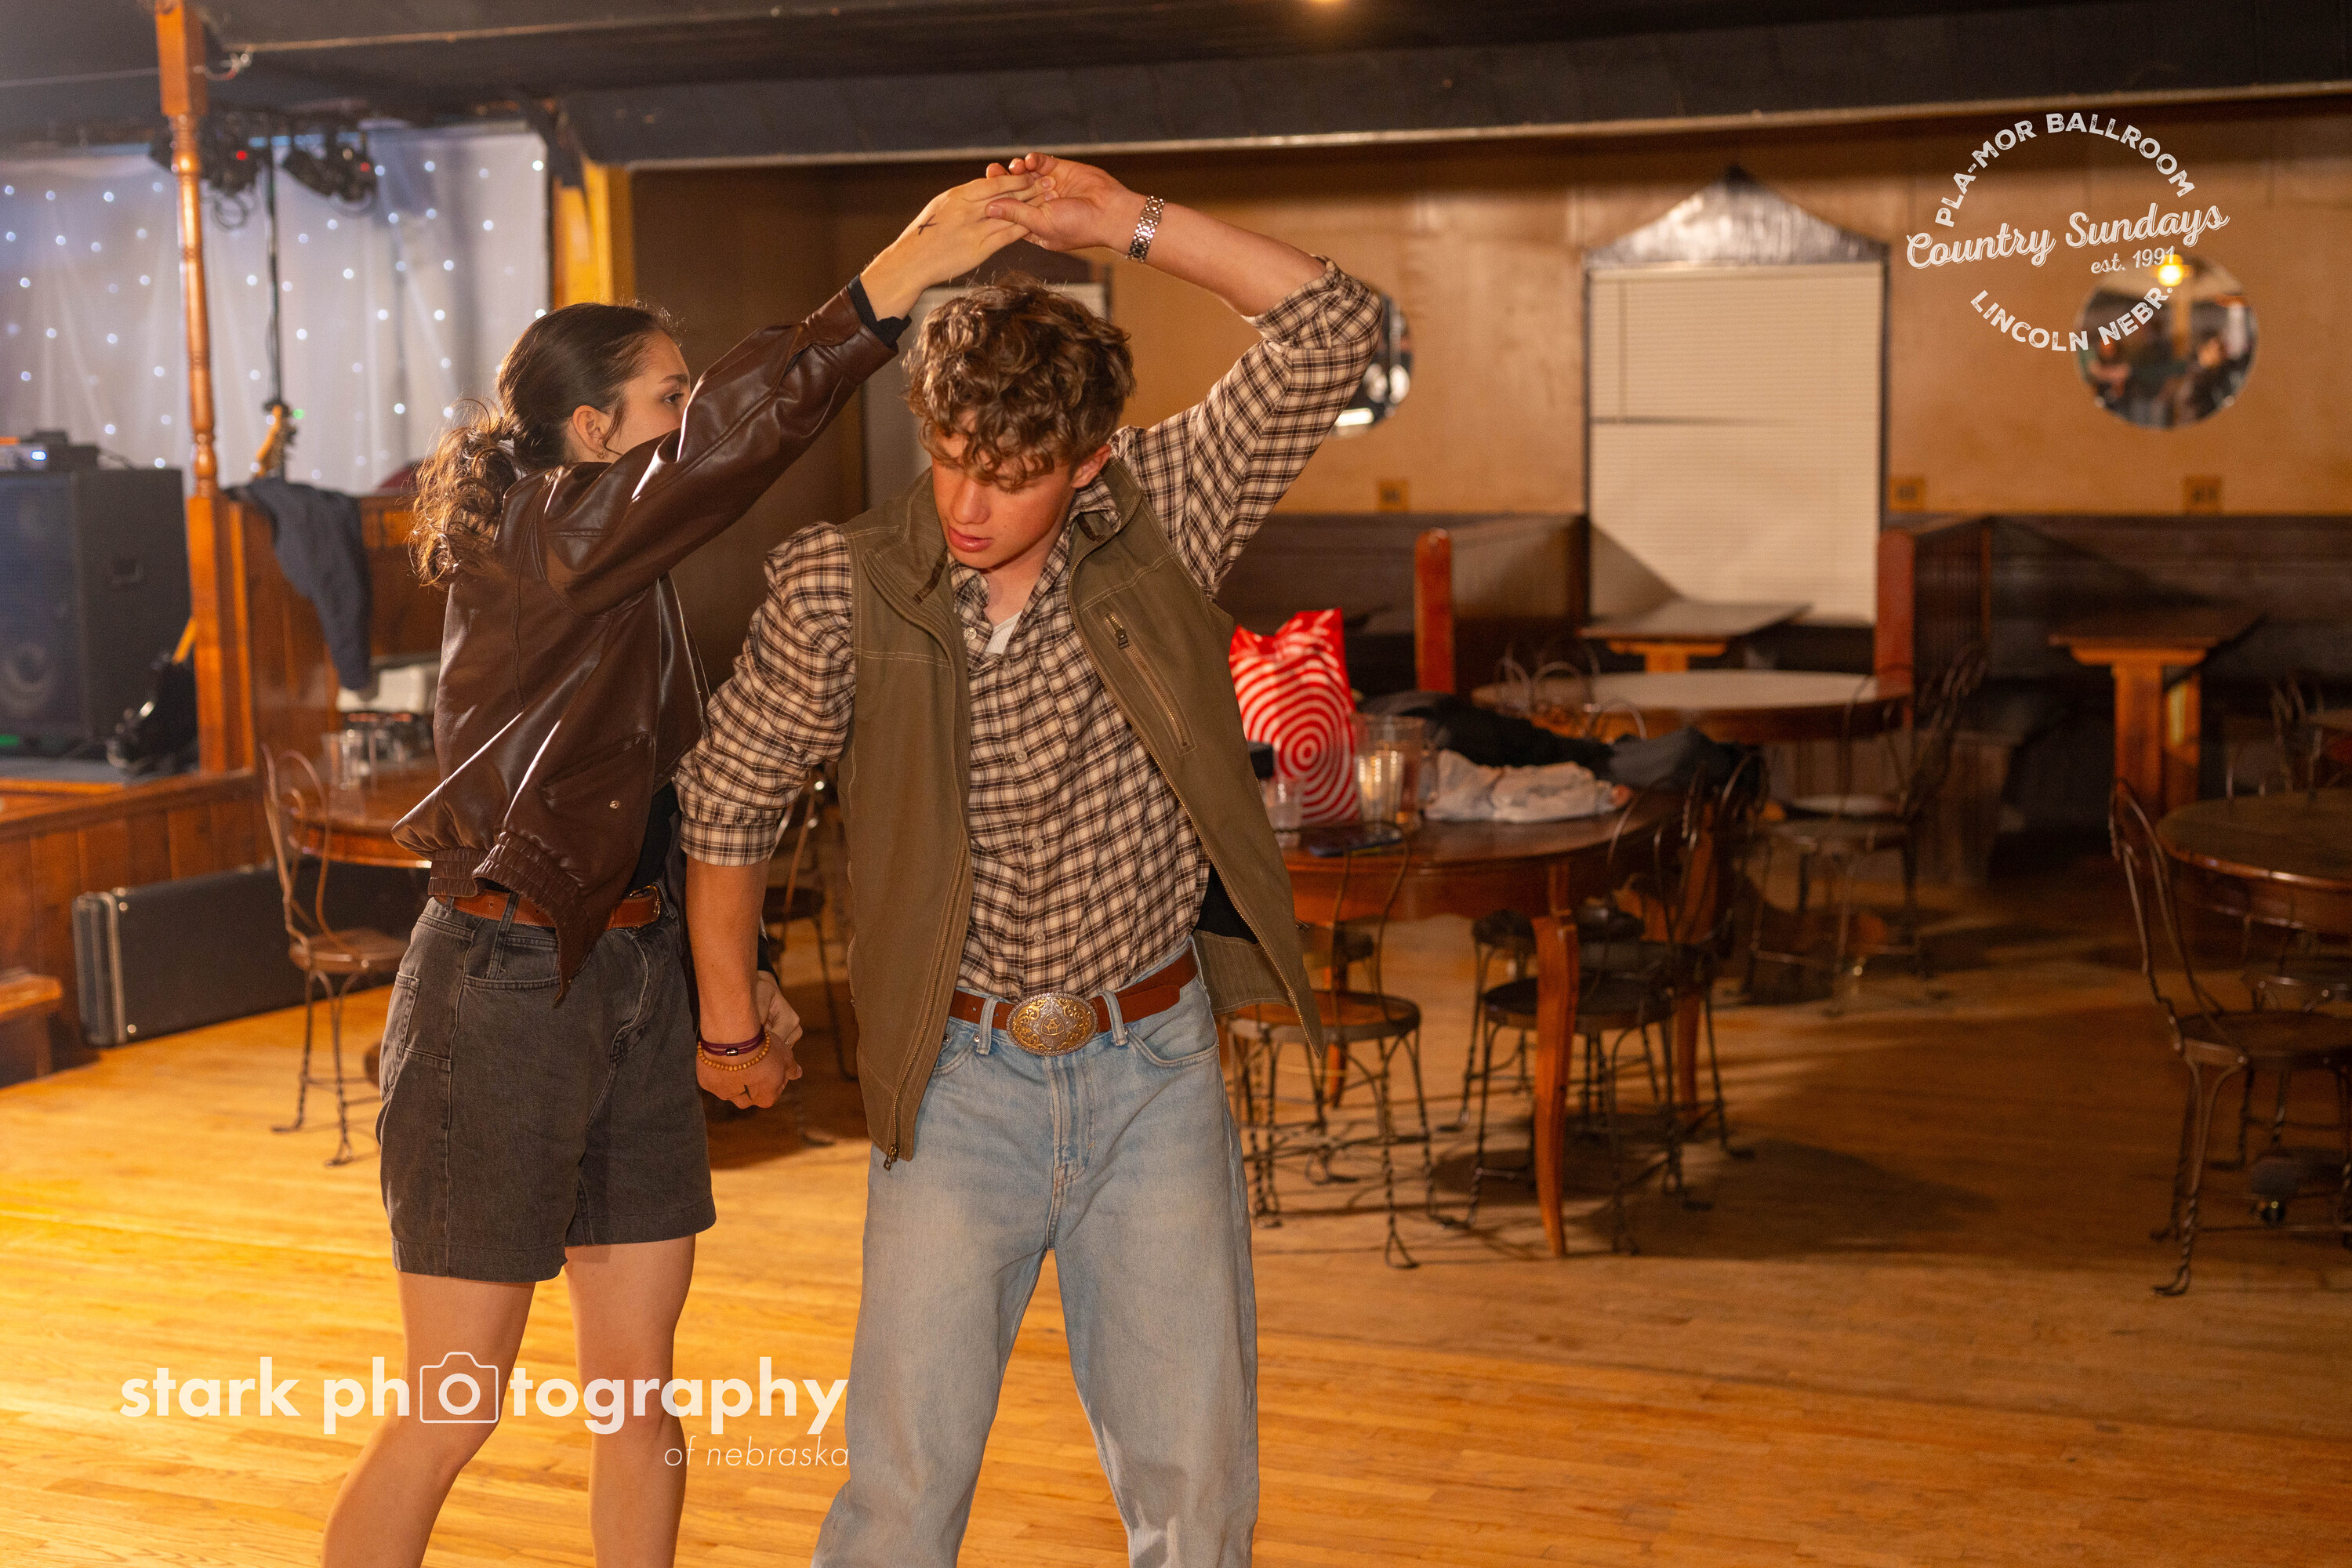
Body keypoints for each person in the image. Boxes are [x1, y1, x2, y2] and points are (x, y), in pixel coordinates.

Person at [320, 170, 1040, 1568]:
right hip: (501, 985)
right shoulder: (547, 534)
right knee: (454, 1405)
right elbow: (728, 449)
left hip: (628, 969)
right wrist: (887, 285)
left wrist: (731, 974)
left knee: (638, 1395)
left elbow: (660, 800)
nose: (686, 420)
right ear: (592, 429)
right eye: (666, 400)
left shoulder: (607, 562)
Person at [675, 152, 1381, 1566]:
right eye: (950, 457)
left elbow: (1337, 328)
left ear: (1091, 460)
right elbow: (729, 805)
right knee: (899, 1495)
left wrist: (1124, 222)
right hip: (956, 1085)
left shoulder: (1165, 516)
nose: (968, 504)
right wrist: (730, 1023)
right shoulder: (839, 585)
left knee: (1195, 1498)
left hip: (1152, 1071)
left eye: (1013, 476)